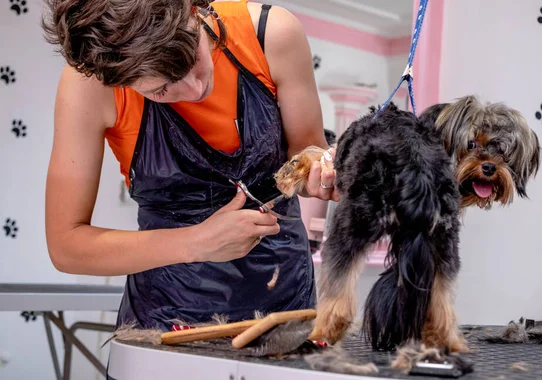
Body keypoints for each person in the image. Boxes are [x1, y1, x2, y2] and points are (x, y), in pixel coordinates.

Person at [41, 0, 339, 331]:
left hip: (285, 308)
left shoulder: (272, 35)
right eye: (160, 89)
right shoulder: (88, 88)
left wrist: (318, 173)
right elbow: (66, 246)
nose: (195, 89)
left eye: (194, 57)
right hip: (166, 320)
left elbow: (308, 152)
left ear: (195, 8)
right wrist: (195, 243)